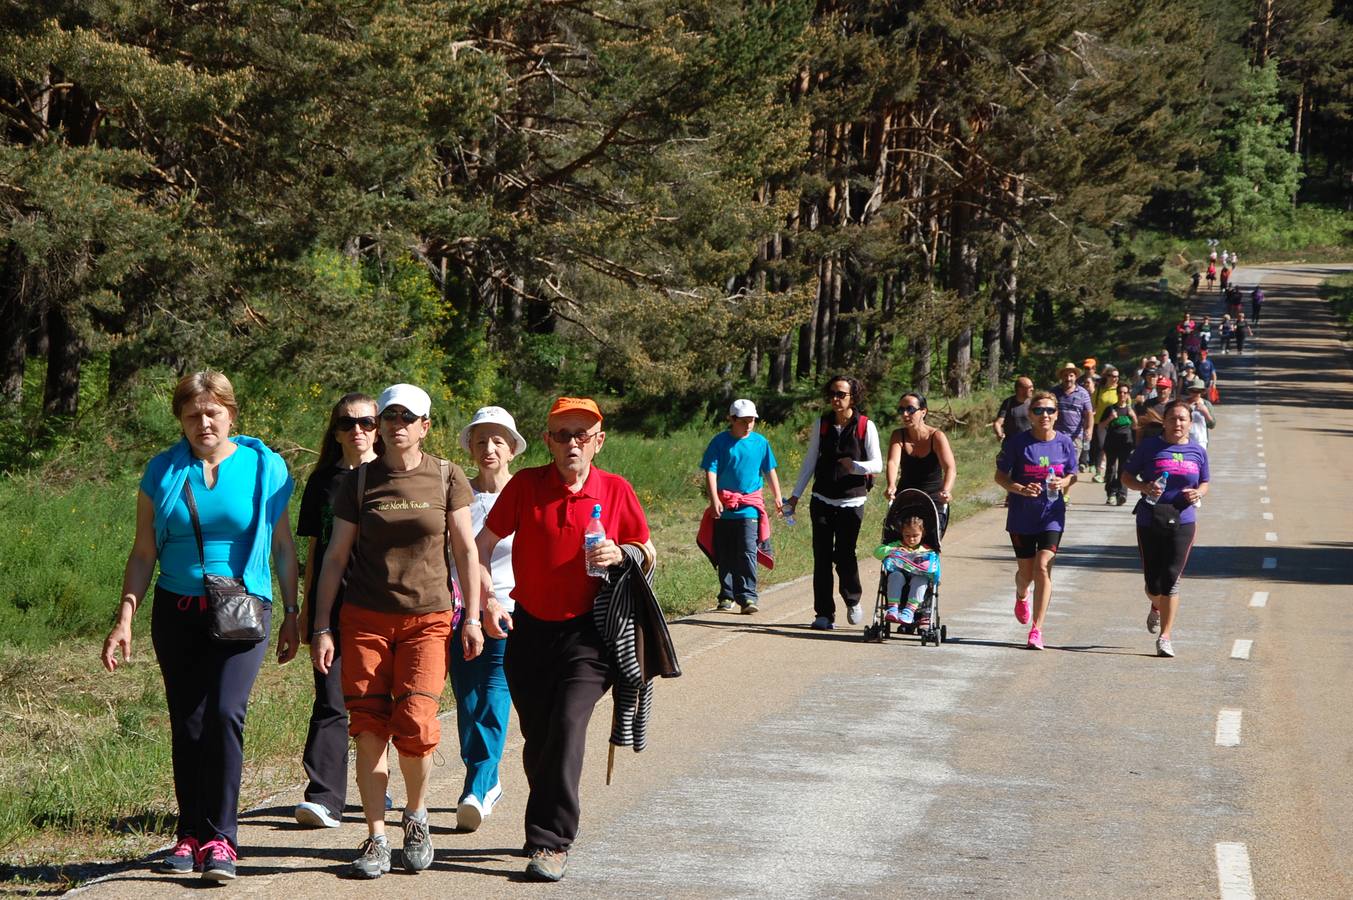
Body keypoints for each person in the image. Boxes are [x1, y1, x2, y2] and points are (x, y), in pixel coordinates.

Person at [101, 371, 298, 882]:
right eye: (192, 414)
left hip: (242, 610)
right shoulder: (162, 471)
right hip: (177, 610)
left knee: (225, 714)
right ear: (181, 421)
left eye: (213, 412)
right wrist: (126, 615)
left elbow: (282, 546)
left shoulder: (263, 467)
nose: (203, 421)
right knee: (188, 723)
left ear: (231, 414)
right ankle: (189, 833)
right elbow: (144, 552)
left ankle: (222, 839)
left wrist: (294, 612)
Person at [475, 396, 654, 883]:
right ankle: (545, 823)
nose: (571, 442)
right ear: (549, 441)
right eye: (561, 434)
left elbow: (648, 551)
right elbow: (482, 546)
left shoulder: (615, 490)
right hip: (529, 628)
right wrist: (489, 599)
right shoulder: (527, 486)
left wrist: (623, 552)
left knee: (569, 727)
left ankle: (551, 842)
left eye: (582, 434)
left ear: (598, 441)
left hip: (591, 632)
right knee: (540, 738)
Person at [309, 383, 479, 879]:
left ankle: (418, 815)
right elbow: (335, 557)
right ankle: (377, 836)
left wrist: (471, 616)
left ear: (425, 426)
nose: (396, 424)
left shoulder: (447, 476)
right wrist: (322, 625)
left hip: (427, 617)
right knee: (367, 728)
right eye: (389, 417)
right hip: (364, 619)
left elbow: (466, 550)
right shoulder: (358, 482)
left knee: (418, 725)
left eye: (408, 417)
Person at [294, 393, 380, 830]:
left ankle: (384, 794)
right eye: (347, 424)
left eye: (367, 422)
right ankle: (324, 797)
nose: (357, 430)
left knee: (380, 705)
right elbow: (313, 548)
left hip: (385, 609)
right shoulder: (323, 481)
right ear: (336, 431)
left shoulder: (396, 476)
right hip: (333, 607)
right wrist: (306, 613)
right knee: (330, 700)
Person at [449, 406, 529, 832]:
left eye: (498, 440)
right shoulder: (459, 494)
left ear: (513, 449)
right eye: (481, 440)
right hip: (458, 610)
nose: (488, 448)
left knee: (494, 694)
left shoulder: (526, 494)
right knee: (467, 700)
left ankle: (478, 785)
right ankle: (487, 775)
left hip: (508, 610)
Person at [785, 375, 883, 631]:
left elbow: (878, 464)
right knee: (822, 556)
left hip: (852, 499)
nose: (835, 399)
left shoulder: (865, 426)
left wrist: (856, 466)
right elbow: (810, 461)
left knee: (845, 554)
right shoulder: (823, 423)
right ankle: (824, 614)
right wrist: (795, 496)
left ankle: (853, 599)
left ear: (853, 397)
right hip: (822, 498)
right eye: (832, 394)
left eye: (841, 394)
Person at [1122, 401, 1210, 658]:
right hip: (1150, 518)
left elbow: (1205, 481)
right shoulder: (1150, 447)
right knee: (1153, 583)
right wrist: (1144, 487)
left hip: (1184, 518)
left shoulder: (1197, 451)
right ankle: (1155, 605)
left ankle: (1166, 637)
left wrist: (1198, 493)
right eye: (1173, 419)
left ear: (1190, 423)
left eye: (1183, 419)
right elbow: (1126, 477)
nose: (1178, 424)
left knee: (1172, 578)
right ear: (1165, 421)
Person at [994, 391, 1077, 650]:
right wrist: (1018, 488)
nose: (1045, 415)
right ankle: (1021, 594)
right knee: (1026, 574)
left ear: (1057, 415)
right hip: (1021, 515)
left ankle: (1037, 630)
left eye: (1050, 411)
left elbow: (1073, 474)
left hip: (1051, 515)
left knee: (1043, 567)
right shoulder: (1017, 443)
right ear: (1030, 415)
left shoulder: (1064, 443)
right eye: (1039, 410)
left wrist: (1062, 483)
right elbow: (1000, 477)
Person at [700, 399, 784, 614]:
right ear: (732, 419)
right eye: (744, 421)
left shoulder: (760, 442)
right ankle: (726, 595)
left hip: (749, 506)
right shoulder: (719, 442)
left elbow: (769, 470)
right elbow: (710, 471)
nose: (749, 425)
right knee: (725, 552)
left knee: (747, 550)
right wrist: (714, 500)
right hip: (724, 505)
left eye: (752, 421)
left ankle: (747, 597)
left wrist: (778, 496)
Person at [884, 392, 956, 538]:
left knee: (928, 544)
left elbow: (950, 468)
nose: (905, 414)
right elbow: (893, 462)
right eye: (901, 410)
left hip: (932, 498)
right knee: (899, 543)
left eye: (910, 409)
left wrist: (946, 490)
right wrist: (891, 485)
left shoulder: (936, 436)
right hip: (906, 496)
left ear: (923, 412)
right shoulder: (898, 435)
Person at [873, 516, 939, 626]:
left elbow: (934, 571)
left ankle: (909, 611)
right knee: (895, 576)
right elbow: (877, 552)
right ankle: (893, 608)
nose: (911, 539)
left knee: (921, 579)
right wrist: (893, 550)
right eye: (907, 535)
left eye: (915, 536)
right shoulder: (897, 545)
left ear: (922, 533)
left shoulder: (927, 550)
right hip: (899, 573)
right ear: (902, 533)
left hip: (918, 576)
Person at [1051, 362, 1093, 473]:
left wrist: (1089, 429)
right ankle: (1058, 490)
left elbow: (1089, 413)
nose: (1068, 378)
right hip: (1056, 437)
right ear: (1061, 377)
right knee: (1056, 468)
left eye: (1071, 375)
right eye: (1065, 375)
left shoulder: (1083, 393)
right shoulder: (1054, 392)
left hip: (1075, 438)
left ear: (1075, 377)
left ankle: (1064, 490)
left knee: (1070, 470)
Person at [1099, 384, 1136, 506]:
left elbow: (1136, 426)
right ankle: (1111, 493)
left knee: (1123, 469)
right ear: (1117, 394)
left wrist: (1133, 417)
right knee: (1111, 469)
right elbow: (1101, 426)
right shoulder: (1110, 409)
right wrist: (1110, 418)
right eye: (1120, 392)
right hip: (1111, 442)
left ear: (1128, 395)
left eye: (1125, 393)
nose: (1122, 395)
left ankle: (1122, 494)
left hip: (1126, 443)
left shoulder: (1130, 410)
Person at [1090, 366, 1122, 480]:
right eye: (1112, 376)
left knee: (1112, 448)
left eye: (1117, 376)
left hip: (1115, 423)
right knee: (1100, 446)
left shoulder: (1120, 390)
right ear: (1107, 377)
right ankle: (1098, 472)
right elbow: (1092, 406)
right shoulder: (1099, 389)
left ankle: (1110, 473)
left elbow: (1125, 404)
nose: (1115, 379)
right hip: (1100, 422)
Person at [992, 376, 1034, 441]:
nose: (1032, 389)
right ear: (1020, 389)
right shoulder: (1008, 403)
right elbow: (998, 423)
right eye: (1029, 387)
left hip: (1029, 442)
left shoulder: (1033, 403)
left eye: (1032, 386)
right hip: (1011, 443)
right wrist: (999, 434)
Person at [1135, 377, 1173, 443]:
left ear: (1170, 390)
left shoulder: (1174, 405)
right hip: (1150, 440)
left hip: (1167, 441)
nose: (1161, 390)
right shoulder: (1148, 403)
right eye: (1159, 388)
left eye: (1164, 388)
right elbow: (1141, 424)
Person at [1183, 378, 1216, 448]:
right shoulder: (1183, 404)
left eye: (1198, 391)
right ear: (1189, 391)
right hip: (1184, 440)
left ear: (1202, 392)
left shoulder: (1206, 404)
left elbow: (1212, 425)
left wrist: (1205, 412)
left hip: (1201, 441)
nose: (1195, 393)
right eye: (1193, 391)